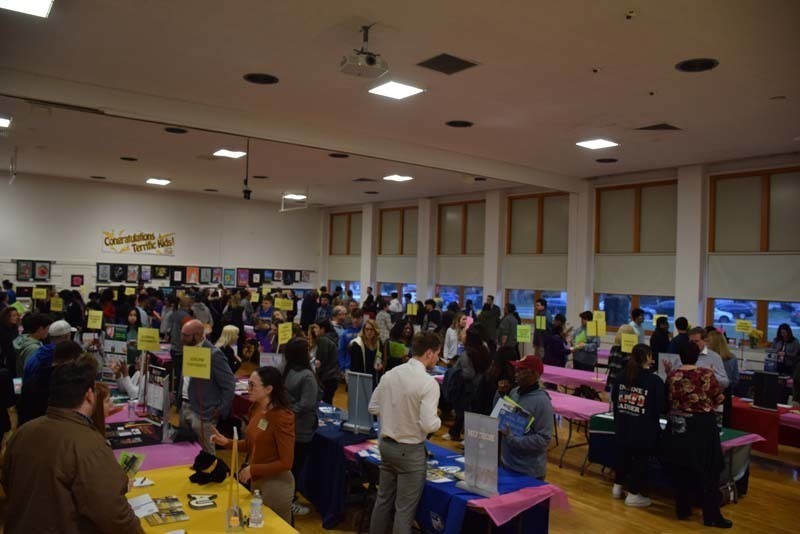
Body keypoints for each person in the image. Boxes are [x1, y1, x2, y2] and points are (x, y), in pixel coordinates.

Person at [2, 357, 143, 533]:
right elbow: (113, 513)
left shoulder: (23, 432)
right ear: (90, 396)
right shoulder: (90, 444)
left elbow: (8, 483)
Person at [368, 331, 442, 534]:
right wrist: (438, 420)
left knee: (383, 501)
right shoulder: (429, 383)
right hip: (410, 451)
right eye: (437, 354)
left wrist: (395, 413)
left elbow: (373, 407)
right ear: (428, 353)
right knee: (404, 511)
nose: (437, 358)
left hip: (386, 446)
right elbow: (429, 424)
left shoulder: (391, 374)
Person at [212, 366, 295, 523]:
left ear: (269, 389)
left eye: (252, 385)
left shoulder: (282, 417)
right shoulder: (256, 408)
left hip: (276, 485)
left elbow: (286, 462)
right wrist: (228, 442)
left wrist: (252, 469)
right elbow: (253, 444)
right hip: (256, 479)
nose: (247, 389)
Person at [663, 343, 730, 528]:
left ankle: (682, 509)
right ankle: (711, 515)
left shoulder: (672, 375)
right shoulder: (706, 374)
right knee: (710, 470)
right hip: (702, 426)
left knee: (681, 467)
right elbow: (718, 399)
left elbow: (667, 401)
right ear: (698, 355)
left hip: (678, 425)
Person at [611, 344, 665, 507]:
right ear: (648, 357)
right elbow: (661, 407)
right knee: (640, 461)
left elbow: (614, 398)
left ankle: (617, 487)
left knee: (623, 456)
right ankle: (634, 494)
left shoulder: (621, 376)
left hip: (622, 425)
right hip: (643, 430)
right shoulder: (654, 380)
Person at [180, 319, 235, 454]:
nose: (182, 338)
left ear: (198, 335)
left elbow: (229, 384)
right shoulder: (188, 349)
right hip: (185, 406)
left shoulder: (214, 354)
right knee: (187, 450)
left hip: (204, 412)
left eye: (186, 335)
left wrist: (220, 409)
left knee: (208, 454)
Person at [496, 355, 554, 481]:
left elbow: (544, 439)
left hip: (528, 471)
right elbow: (499, 415)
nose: (516, 374)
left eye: (521, 371)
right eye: (517, 370)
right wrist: (500, 394)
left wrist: (513, 440)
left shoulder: (542, 402)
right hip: (507, 463)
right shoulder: (514, 392)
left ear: (533, 375)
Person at [282, 338, 318, 517]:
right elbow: (307, 403)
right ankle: (290, 501)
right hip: (301, 429)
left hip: (288, 426)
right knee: (295, 466)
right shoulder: (307, 375)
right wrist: (291, 412)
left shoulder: (286, 370)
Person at [443, 325, 491, 440]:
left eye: (464, 334)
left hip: (468, 390)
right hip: (481, 388)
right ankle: (458, 433)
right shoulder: (484, 349)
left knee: (463, 412)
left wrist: (455, 373)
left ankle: (461, 436)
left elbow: (468, 374)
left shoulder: (467, 354)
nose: (462, 335)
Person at [706, 330, 738, 427]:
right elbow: (736, 379)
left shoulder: (708, 358)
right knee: (724, 423)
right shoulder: (732, 358)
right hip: (726, 394)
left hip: (711, 394)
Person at [13, 312, 52, 377]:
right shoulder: (33, 349)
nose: (48, 331)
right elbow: (31, 372)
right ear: (40, 329)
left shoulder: (24, 338)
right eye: (48, 328)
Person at [313, 319, 339, 403]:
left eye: (316, 328)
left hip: (325, 378)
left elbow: (320, 362)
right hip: (333, 377)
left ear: (322, 329)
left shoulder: (323, 340)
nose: (314, 330)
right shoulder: (333, 337)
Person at [348, 318, 382, 382]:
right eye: (367, 329)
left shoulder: (378, 342)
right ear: (363, 330)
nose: (369, 332)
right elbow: (355, 367)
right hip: (361, 377)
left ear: (375, 331)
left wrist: (379, 364)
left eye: (372, 329)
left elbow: (379, 356)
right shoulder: (357, 345)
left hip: (374, 376)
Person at [606, 325, 636, 392]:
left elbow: (610, 364)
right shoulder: (628, 351)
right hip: (623, 382)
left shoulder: (614, 348)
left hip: (612, 378)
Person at [338, 308, 363, 373]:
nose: (355, 320)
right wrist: (342, 367)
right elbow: (341, 351)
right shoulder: (345, 333)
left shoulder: (365, 331)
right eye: (353, 318)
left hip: (363, 366)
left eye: (358, 318)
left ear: (362, 318)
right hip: (348, 366)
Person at [0, 307, 20, 376]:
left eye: (17, 315)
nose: (16, 317)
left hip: (14, 359)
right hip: (4, 361)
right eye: (13, 315)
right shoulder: (2, 330)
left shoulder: (14, 328)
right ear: (6, 317)